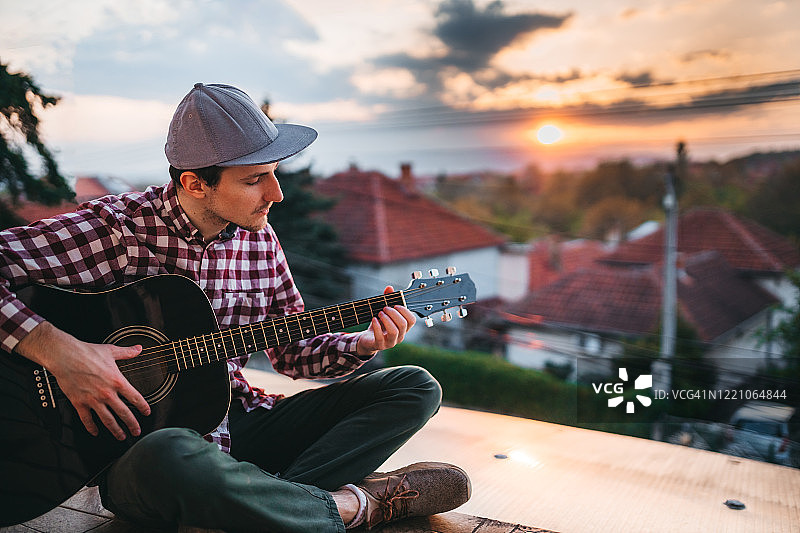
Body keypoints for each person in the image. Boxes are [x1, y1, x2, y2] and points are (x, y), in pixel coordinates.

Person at [0, 83, 471, 531]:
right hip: (143, 453)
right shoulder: (114, 231)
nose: (276, 194)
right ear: (195, 183)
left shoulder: (258, 237)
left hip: (239, 423)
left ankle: (258, 508)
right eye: (254, 179)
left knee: (414, 385)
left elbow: (293, 350)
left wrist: (365, 343)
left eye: (274, 173)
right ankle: (350, 507)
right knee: (167, 456)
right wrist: (60, 352)